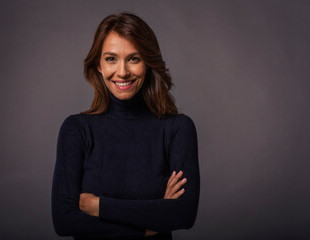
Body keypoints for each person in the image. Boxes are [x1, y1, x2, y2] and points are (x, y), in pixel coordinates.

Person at [51, 12, 200, 240]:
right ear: (98, 65)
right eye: (111, 59)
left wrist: (98, 205)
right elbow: (64, 221)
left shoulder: (177, 129)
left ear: (148, 63)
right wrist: (150, 224)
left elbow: (183, 214)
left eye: (134, 58)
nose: (122, 72)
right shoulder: (77, 129)